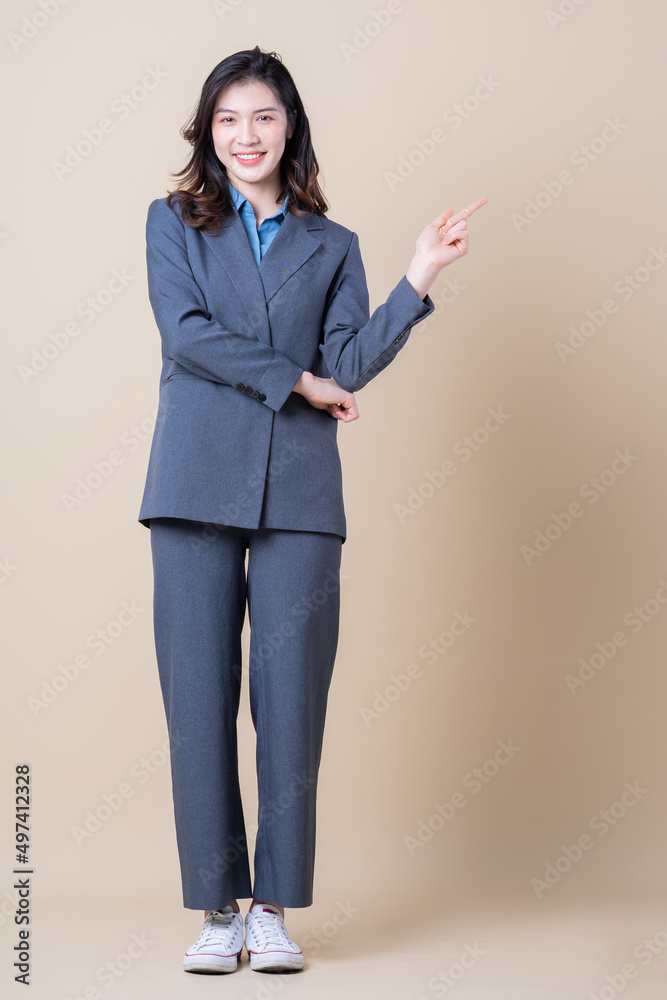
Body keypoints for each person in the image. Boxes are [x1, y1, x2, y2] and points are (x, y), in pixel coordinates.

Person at [137, 44, 487, 976]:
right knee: (198, 697)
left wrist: (418, 278)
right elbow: (187, 334)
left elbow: (352, 366)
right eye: (226, 120)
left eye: (262, 117)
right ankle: (216, 905)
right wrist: (296, 378)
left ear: (289, 126)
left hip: (297, 489)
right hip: (194, 482)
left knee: (290, 702)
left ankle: (270, 908)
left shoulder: (334, 247)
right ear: (208, 134)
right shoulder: (173, 224)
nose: (245, 135)